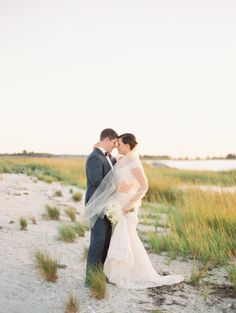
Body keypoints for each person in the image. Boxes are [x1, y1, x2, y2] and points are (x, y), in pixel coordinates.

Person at [85, 133, 184, 289]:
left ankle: (125, 273)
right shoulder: (118, 159)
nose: (117, 146)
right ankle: (111, 273)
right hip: (114, 205)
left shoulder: (133, 161)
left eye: (119, 144)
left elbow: (144, 186)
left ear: (127, 145)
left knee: (126, 238)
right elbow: (101, 157)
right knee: (112, 239)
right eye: (115, 143)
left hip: (125, 206)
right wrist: (97, 146)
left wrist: (130, 204)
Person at [85, 128, 118, 283]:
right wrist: (117, 187)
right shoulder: (94, 157)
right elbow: (96, 181)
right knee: (98, 241)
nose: (115, 145)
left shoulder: (109, 158)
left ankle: (99, 273)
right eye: (113, 142)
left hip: (108, 207)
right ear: (106, 140)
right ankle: (91, 278)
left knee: (105, 241)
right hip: (97, 206)